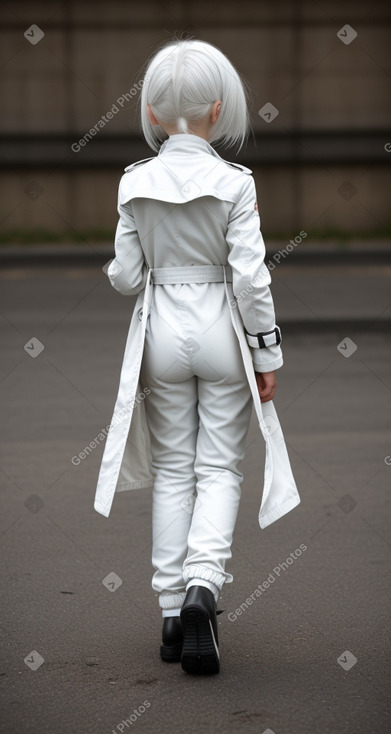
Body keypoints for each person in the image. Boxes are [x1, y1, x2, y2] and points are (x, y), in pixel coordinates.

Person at [94, 37, 300, 675]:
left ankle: (166, 611)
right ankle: (202, 590)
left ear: (152, 114)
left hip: (160, 333)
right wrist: (267, 355)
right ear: (218, 109)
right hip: (222, 329)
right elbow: (251, 279)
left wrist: (129, 257)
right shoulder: (235, 182)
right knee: (220, 468)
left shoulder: (135, 183)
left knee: (174, 470)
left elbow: (127, 279)